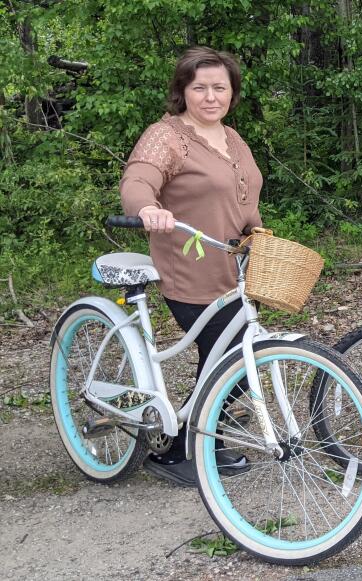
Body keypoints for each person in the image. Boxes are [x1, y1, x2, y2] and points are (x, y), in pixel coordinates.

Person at [120, 46, 263, 485]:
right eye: (199, 87)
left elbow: (245, 197)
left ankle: (196, 438)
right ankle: (189, 451)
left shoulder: (232, 138)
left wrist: (261, 233)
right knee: (231, 354)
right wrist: (147, 208)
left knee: (238, 353)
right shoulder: (167, 136)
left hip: (236, 270)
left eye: (219, 87)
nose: (210, 96)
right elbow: (138, 180)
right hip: (189, 268)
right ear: (183, 91)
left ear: (232, 93)